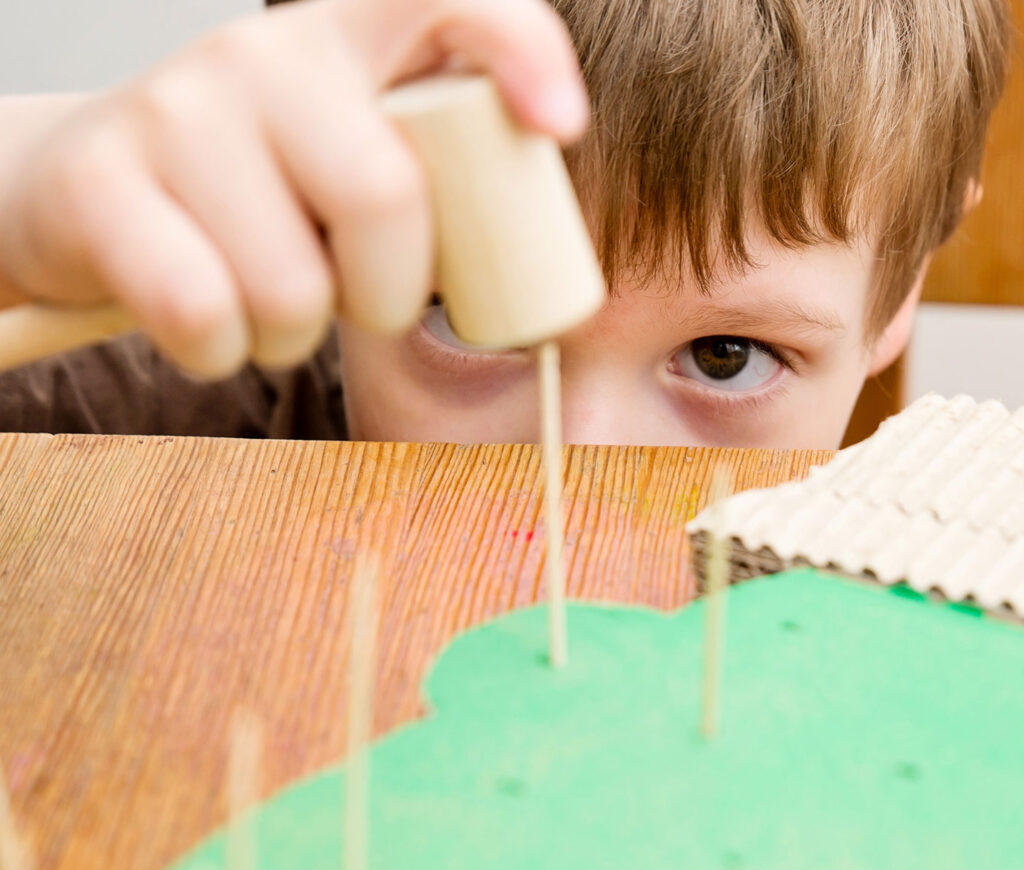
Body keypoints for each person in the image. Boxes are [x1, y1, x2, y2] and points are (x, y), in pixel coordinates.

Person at [0, 0, 1012, 447]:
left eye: (724, 356)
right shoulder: (146, 410)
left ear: (902, 291)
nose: (570, 463)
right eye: (474, 318)